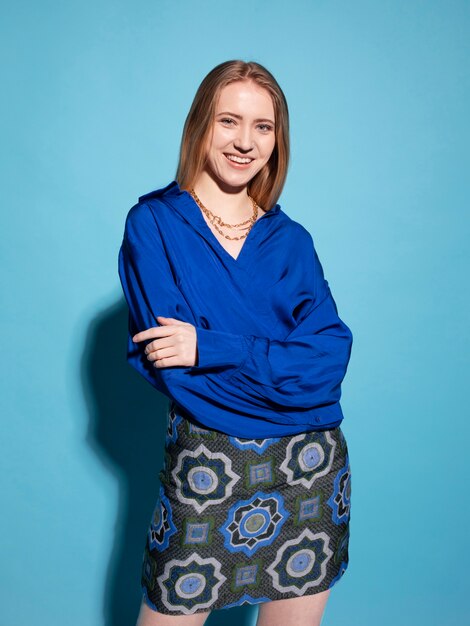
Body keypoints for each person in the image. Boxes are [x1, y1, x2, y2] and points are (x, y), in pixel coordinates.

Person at [118, 59, 353, 626]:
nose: (245, 142)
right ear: (202, 123)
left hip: (310, 469)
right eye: (229, 120)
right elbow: (176, 372)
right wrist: (280, 368)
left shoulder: (292, 241)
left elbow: (329, 361)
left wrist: (214, 347)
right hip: (206, 465)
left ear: (278, 139)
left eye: (263, 127)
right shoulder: (154, 225)